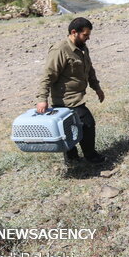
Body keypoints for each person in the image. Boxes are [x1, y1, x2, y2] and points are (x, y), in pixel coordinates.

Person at [36, 17, 106, 164]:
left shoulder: (82, 48)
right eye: (85, 35)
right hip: (65, 99)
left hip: (78, 96)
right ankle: (90, 156)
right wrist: (42, 99)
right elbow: (48, 76)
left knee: (69, 128)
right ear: (74, 32)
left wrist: (97, 88)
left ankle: (72, 159)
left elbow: (89, 70)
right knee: (87, 123)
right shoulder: (60, 50)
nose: (88, 38)